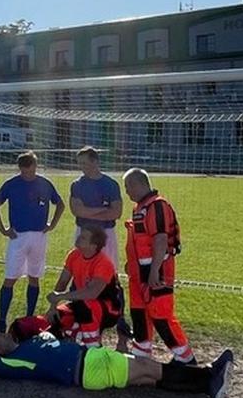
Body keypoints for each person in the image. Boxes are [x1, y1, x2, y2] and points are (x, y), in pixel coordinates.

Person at [0, 327, 234, 398]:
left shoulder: (26, 343)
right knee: (147, 366)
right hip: (87, 366)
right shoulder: (11, 361)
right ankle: (209, 375)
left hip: (89, 366)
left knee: (148, 379)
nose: (1, 333)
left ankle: (205, 387)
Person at [123, 168, 195, 363]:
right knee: (138, 311)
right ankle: (142, 351)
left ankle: (185, 357)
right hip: (139, 272)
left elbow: (161, 239)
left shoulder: (157, 206)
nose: (127, 192)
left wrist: (154, 270)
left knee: (160, 314)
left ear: (139, 184)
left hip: (157, 269)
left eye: (128, 187)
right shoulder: (140, 207)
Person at [0, 150, 65, 332]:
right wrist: (4, 229)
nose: (26, 174)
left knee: (34, 277)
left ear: (35, 166)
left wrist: (52, 224)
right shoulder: (11, 184)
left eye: (29, 170)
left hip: (39, 236)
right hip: (18, 236)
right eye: (23, 171)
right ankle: (1, 319)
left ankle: (30, 315)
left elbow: (60, 204)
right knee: (10, 278)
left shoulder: (45, 184)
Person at [46, 226, 123, 347]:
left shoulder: (104, 263)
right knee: (58, 316)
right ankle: (61, 347)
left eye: (83, 237)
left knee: (84, 307)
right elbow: (62, 283)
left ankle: (92, 347)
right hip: (83, 303)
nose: (78, 238)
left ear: (94, 245)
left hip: (109, 309)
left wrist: (61, 296)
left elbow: (92, 293)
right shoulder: (74, 255)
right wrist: (53, 307)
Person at [69, 146, 122, 269]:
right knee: (82, 269)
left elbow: (116, 213)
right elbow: (77, 211)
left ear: (95, 162)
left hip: (105, 233)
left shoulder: (111, 184)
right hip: (83, 232)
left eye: (84, 163)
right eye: (79, 163)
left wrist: (87, 211)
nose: (81, 167)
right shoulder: (77, 185)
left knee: (107, 270)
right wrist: (102, 209)